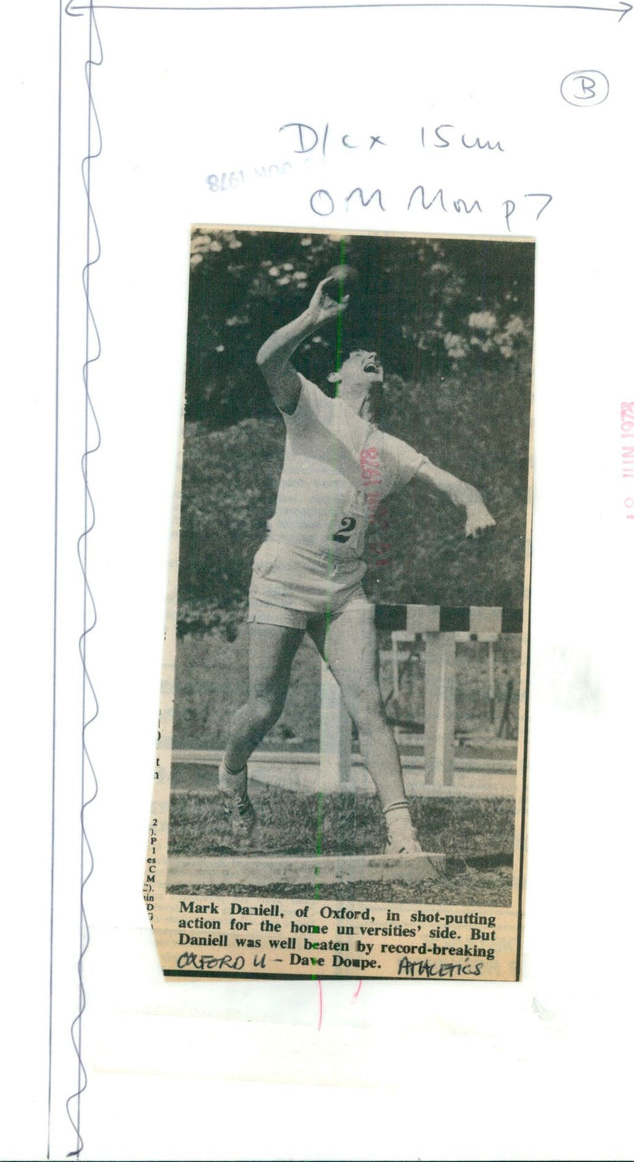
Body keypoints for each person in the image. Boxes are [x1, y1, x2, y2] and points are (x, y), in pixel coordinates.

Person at [219, 273, 495, 854]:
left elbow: (457, 485)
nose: (369, 357)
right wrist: (313, 319)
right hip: (283, 573)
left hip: (344, 587)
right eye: (355, 354)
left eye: (375, 356)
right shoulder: (310, 406)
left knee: (369, 706)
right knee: (264, 706)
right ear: (337, 374)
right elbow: (266, 357)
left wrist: (472, 504)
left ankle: (402, 835)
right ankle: (232, 773)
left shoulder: (391, 448)